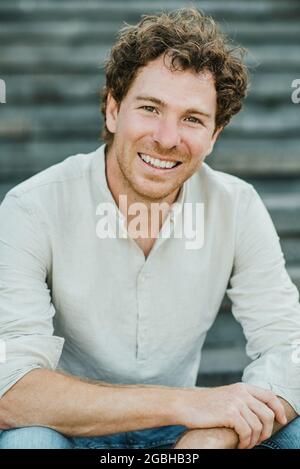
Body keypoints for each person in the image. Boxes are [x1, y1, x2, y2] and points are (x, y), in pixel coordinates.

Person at [0, 8, 299, 450]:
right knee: (29, 443)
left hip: (189, 435)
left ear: (215, 135)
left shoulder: (237, 207)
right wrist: (185, 404)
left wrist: (213, 432)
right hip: (68, 427)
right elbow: (12, 391)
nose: (166, 137)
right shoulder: (32, 207)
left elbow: (290, 348)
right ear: (112, 109)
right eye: (150, 108)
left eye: (193, 119)